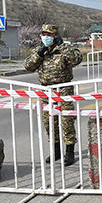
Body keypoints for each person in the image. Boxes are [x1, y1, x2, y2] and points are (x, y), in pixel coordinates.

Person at [24, 23, 83, 166]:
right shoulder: (40, 50)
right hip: (47, 91)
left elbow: (77, 59)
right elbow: (28, 66)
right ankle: (56, 151)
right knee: (49, 122)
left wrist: (62, 47)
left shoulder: (65, 49)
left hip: (63, 90)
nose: (46, 37)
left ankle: (69, 152)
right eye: (43, 34)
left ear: (55, 36)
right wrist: (40, 52)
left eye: (49, 35)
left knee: (67, 121)